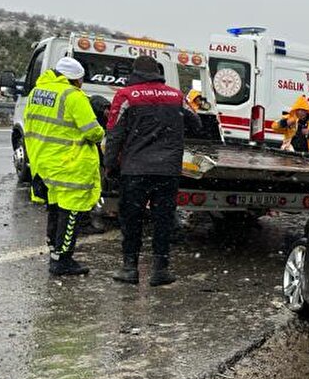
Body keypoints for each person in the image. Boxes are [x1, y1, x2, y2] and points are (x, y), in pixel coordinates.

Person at [104, 54, 201, 286]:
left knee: (132, 219)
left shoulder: (126, 96)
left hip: (135, 169)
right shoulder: (176, 95)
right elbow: (196, 123)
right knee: (163, 219)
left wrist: (110, 166)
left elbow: (114, 134)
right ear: (157, 72)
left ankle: (130, 268)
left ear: (134, 73)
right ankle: (160, 270)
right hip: (167, 170)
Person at [22, 57, 105, 276]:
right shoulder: (72, 96)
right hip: (69, 164)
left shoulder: (36, 93)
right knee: (71, 215)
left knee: (55, 210)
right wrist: (101, 129)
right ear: (76, 79)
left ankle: (54, 252)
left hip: (44, 163)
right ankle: (63, 260)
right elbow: (92, 131)